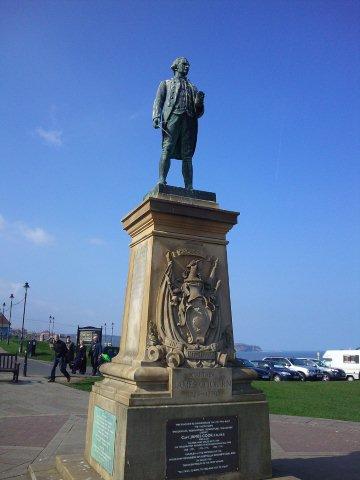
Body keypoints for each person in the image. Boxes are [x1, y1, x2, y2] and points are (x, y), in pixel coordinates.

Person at [152, 57, 205, 190]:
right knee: (167, 148)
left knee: (187, 155)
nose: (187, 67)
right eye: (184, 64)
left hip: (189, 120)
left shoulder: (193, 87)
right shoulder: (166, 83)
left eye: (188, 65)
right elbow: (158, 101)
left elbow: (198, 111)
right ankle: (161, 180)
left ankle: (189, 186)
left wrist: (199, 103)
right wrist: (156, 116)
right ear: (176, 67)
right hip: (172, 117)